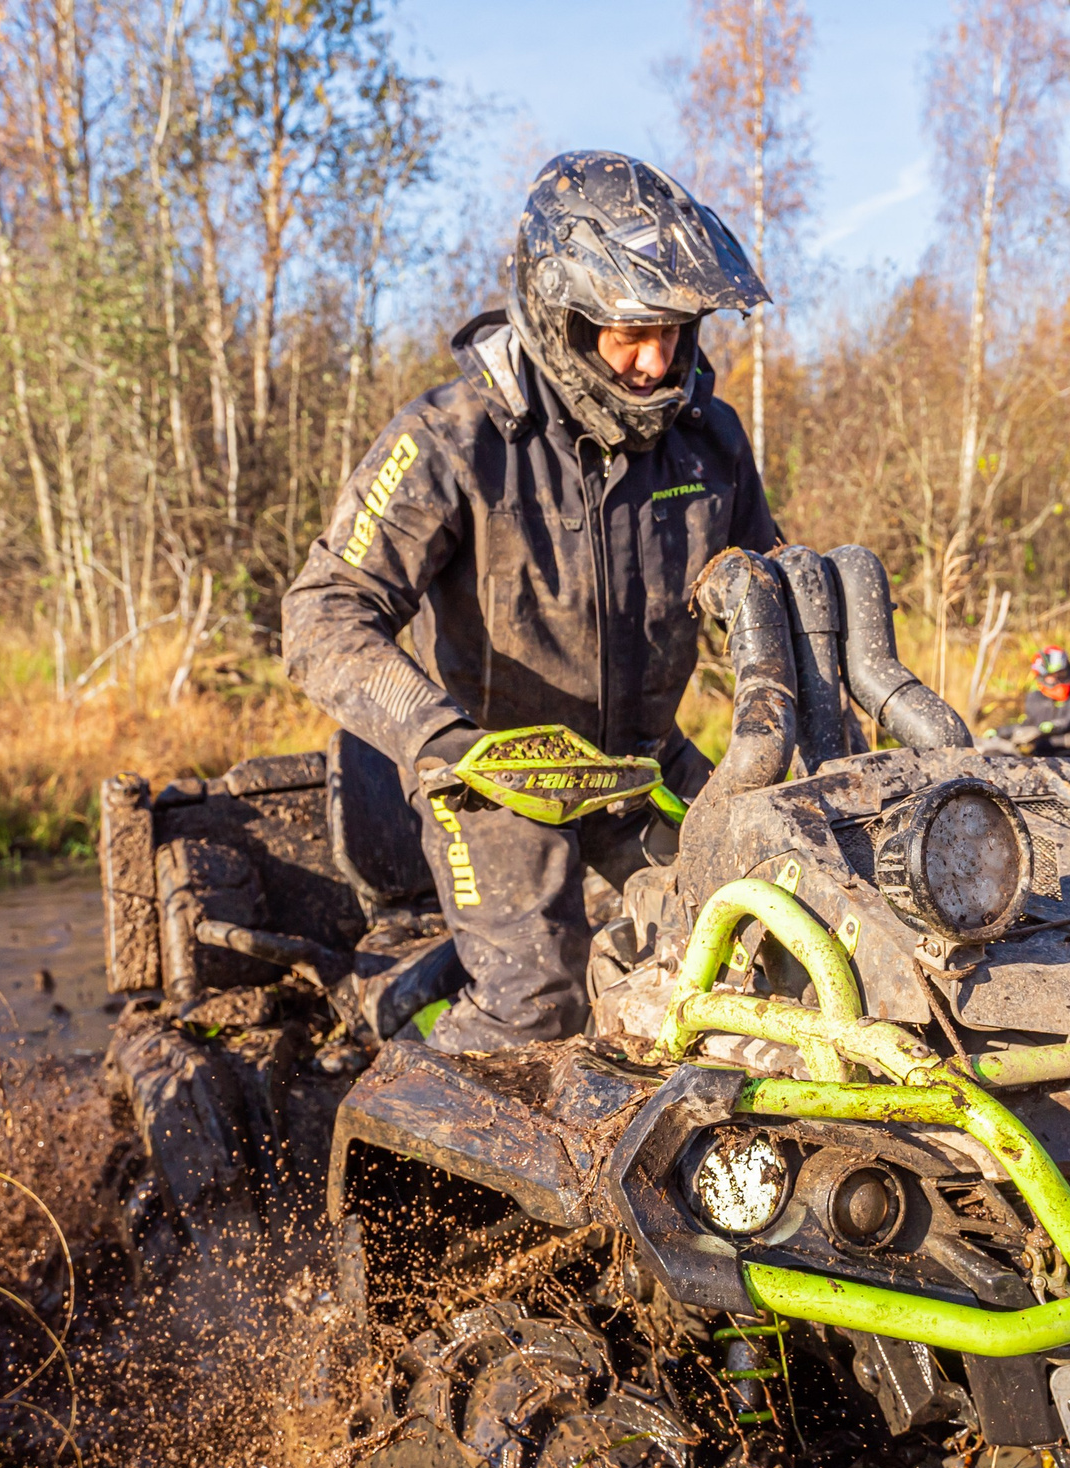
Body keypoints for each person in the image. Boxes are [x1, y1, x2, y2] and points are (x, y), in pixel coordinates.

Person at [280, 151, 781, 1052]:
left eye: (674, 331)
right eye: (630, 333)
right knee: (538, 1000)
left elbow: (775, 600)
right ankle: (407, 1121)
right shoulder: (452, 438)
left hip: (639, 764)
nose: (657, 359)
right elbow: (322, 613)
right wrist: (438, 738)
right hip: (490, 770)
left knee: (774, 932)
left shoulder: (707, 442)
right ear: (562, 316)